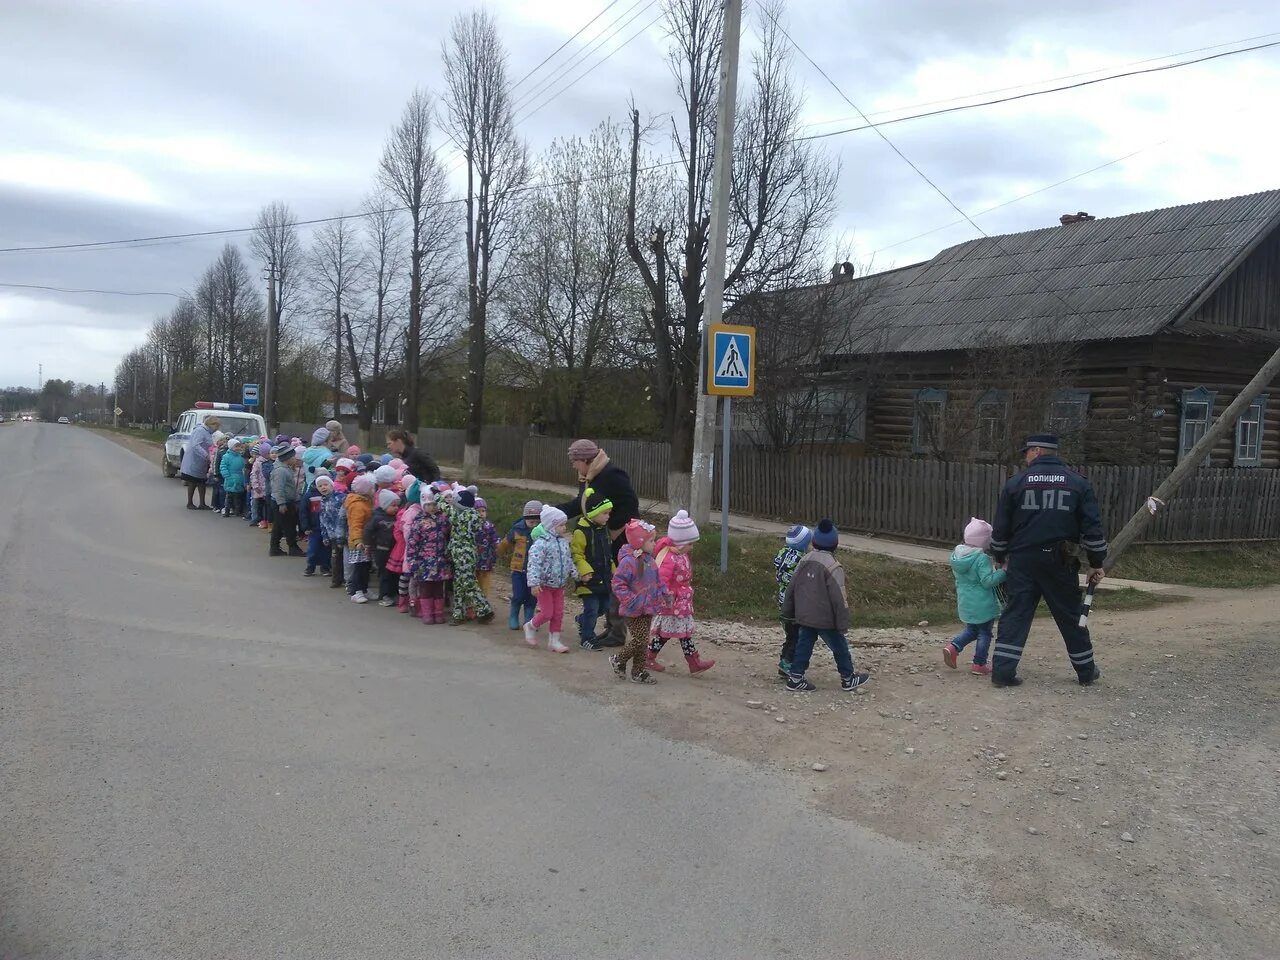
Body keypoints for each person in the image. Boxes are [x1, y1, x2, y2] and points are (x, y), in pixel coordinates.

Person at [990, 433, 1107, 688]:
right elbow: (1093, 527)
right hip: (1060, 561)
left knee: (1016, 615)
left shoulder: (1015, 483)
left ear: (1036, 452)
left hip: (1022, 561)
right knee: (1070, 615)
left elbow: (1001, 528)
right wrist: (1096, 563)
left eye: (1027, 452)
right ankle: (1086, 672)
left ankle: (1002, 672)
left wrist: (999, 556)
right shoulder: (1078, 483)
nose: (1025, 457)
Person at [557, 439, 640, 647]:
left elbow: (630, 505)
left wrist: (609, 529)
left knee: (618, 582)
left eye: (574, 460)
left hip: (621, 538)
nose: (573, 465)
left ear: (585, 459)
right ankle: (612, 629)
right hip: (601, 536)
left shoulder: (612, 475)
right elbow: (581, 504)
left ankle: (618, 631)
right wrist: (555, 512)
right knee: (608, 581)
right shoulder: (589, 476)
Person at [781, 519, 870, 692]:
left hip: (804, 616)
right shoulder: (834, 567)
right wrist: (842, 624)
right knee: (840, 647)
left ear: (814, 541)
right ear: (835, 544)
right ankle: (848, 678)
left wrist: (788, 611)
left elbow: (792, 587)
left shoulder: (804, 560)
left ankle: (795, 677)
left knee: (803, 646)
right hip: (825, 619)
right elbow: (839, 598)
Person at [646, 510, 715, 675]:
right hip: (672, 602)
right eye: (690, 544)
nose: (692, 547)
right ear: (680, 542)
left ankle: (693, 662)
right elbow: (662, 579)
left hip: (681, 600)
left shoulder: (681, 555)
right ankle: (650, 656)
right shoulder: (669, 558)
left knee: (681, 633)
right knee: (670, 634)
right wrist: (666, 596)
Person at [943, 518, 1007, 677]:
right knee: (985, 632)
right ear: (985, 540)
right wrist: (1004, 571)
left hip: (965, 600)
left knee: (972, 629)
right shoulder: (981, 559)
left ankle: (953, 647)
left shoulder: (956, 556)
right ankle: (979, 663)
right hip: (982, 603)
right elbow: (987, 582)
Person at [609, 519, 667, 684]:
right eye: (651, 540)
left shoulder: (650, 560)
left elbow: (658, 580)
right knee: (640, 640)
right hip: (633, 609)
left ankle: (638, 671)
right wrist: (630, 600)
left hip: (648, 607)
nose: (654, 543)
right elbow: (618, 584)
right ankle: (619, 660)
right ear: (639, 542)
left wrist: (664, 593)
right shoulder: (629, 562)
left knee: (643, 640)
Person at [437, 489, 494, 625]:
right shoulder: (472, 515)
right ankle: (458, 614)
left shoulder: (461, 516)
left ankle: (485, 609)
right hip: (465, 553)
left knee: (468, 583)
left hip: (463, 555)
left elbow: (444, 507)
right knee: (459, 584)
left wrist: (437, 496)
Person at [524, 505, 575, 653]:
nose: (564, 528)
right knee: (547, 613)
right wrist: (534, 583)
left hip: (559, 585)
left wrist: (576, 573)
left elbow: (567, 560)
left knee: (558, 613)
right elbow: (533, 564)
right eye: (561, 525)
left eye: (564, 524)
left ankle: (554, 641)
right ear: (551, 526)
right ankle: (531, 625)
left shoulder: (563, 542)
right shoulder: (541, 544)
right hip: (544, 585)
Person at [571, 490, 615, 650]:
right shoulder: (580, 532)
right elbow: (577, 554)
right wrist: (584, 570)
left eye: (608, 513)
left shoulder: (603, 529)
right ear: (593, 513)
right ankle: (587, 638)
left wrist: (614, 570)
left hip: (604, 577)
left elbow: (607, 553)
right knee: (592, 609)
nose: (608, 516)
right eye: (604, 513)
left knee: (604, 607)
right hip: (588, 579)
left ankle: (581, 620)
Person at [407, 488, 452, 624]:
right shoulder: (419, 521)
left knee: (439, 588)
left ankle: (438, 613)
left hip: (440, 561)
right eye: (428, 505)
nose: (431, 507)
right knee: (425, 588)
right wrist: (412, 560)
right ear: (423, 505)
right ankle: (427, 613)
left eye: (433, 504)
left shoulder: (443, 519)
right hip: (423, 561)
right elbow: (412, 542)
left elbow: (448, 535)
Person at [773, 525, 813, 680]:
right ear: (803, 544)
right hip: (795, 604)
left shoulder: (783, 554)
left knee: (790, 634)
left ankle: (784, 661)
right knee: (797, 635)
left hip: (783, 601)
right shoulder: (801, 560)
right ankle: (788, 663)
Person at [498, 500, 542, 630]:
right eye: (531, 522)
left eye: (537, 522)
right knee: (518, 595)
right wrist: (497, 551)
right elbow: (506, 542)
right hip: (518, 569)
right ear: (525, 518)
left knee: (532, 596)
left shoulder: (542, 532)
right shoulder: (517, 529)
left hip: (535, 571)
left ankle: (529, 619)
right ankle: (514, 615)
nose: (534, 525)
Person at [364, 488, 401, 607]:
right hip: (381, 550)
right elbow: (368, 531)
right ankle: (384, 595)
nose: (396, 508)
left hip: (394, 550)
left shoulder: (397, 517)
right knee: (385, 573)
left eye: (397, 505)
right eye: (393, 505)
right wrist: (368, 545)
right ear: (385, 505)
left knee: (394, 573)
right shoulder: (377, 518)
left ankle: (393, 593)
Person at [344, 474, 376, 603]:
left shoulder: (365, 502)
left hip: (366, 541)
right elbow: (355, 525)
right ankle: (356, 591)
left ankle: (364, 589)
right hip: (359, 542)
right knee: (359, 567)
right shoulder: (358, 505)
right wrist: (357, 541)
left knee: (366, 566)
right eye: (371, 488)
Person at [268, 442, 304, 557]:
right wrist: (282, 503)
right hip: (282, 502)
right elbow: (278, 488)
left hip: (283, 501)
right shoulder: (281, 471)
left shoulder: (285, 468)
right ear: (287, 458)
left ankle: (274, 548)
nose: (295, 459)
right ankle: (293, 547)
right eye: (293, 457)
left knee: (278, 526)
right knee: (289, 526)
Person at [394, 480, 422, 614]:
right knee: (408, 577)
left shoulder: (421, 510)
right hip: (412, 549)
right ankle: (404, 600)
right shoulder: (411, 512)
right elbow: (406, 531)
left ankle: (415, 601)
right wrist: (415, 542)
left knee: (416, 578)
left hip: (420, 550)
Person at [179, 414, 219, 510]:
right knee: (192, 481)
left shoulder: (207, 432)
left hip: (201, 462)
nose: (216, 429)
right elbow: (196, 445)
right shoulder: (200, 431)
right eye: (216, 426)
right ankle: (190, 502)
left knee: (202, 482)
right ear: (211, 424)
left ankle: (202, 503)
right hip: (195, 460)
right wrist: (206, 455)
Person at [474, 498, 499, 601]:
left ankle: (483, 602)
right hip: (474, 559)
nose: (481, 513)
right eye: (478, 511)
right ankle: (474, 603)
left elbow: (495, 538)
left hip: (487, 560)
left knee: (485, 583)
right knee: (474, 582)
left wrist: (498, 545)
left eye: (483, 511)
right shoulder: (471, 526)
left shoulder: (489, 526)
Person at [219, 439, 247, 518]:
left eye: (239, 446)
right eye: (236, 446)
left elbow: (243, 466)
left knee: (238, 496)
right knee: (229, 496)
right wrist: (226, 475)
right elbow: (223, 466)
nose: (238, 448)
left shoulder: (240, 456)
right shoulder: (226, 456)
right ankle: (227, 510)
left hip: (239, 478)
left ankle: (237, 511)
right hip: (230, 478)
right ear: (231, 447)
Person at [249, 440, 273, 529]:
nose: (268, 455)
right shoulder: (258, 462)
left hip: (266, 488)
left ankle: (264, 520)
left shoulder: (270, 462)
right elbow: (253, 474)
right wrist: (255, 486)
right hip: (258, 488)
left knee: (265, 505)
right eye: (267, 453)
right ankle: (255, 518)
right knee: (256, 504)